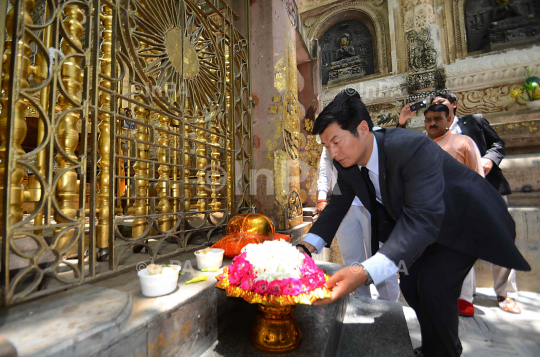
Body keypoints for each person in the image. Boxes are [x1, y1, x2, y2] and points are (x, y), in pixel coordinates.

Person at [297, 90, 530, 357]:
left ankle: (445, 352)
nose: (333, 152)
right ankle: (437, 347)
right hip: (430, 227)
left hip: (465, 221)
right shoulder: (349, 165)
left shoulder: (409, 147)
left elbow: (421, 218)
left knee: (434, 284)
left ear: (362, 128)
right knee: (410, 282)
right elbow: (337, 204)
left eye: (336, 142)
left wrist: (362, 271)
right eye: (327, 146)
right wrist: (305, 248)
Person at [398, 92, 521, 315]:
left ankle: (504, 293)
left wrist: (487, 161)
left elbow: (497, 145)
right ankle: (459, 297)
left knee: (500, 241)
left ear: (453, 107)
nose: (435, 115)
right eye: (431, 112)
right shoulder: (425, 138)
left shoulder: (473, 124)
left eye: (441, 106)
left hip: (483, 193)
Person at [423, 103, 485, 316]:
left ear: (448, 120)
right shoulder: (419, 145)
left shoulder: (464, 142)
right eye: (428, 119)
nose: (432, 123)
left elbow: (478, 177)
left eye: (438, 118)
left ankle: (465, 299)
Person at [317, 145, 400, 302]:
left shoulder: (363, 132)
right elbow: (325, 167)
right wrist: (322, 196)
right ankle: (361, 302)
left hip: (372, 204)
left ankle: (390, 305)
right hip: (343, 205)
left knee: (380, 255)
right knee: (351, 257)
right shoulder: (329, 138)